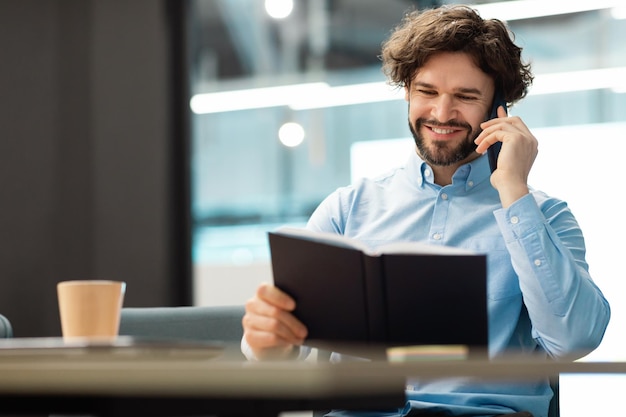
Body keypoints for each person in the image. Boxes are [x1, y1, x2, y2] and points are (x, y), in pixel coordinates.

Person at [241, 4, 611, 417]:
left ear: (498, 109)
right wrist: (267, 344)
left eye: (466, 97)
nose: (441, 113)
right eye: (427, 91)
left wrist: (512, 190)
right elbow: (283, 351)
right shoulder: (346, 211)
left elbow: (574, 341)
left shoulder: (544, 216)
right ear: (407, 91)